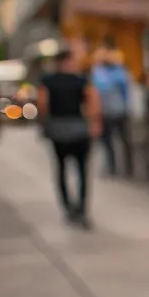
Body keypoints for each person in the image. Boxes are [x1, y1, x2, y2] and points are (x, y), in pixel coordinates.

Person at [37, 47, 101, 227]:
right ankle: (81, 208)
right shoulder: (81, 80)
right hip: (78, 128)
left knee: (61, 169)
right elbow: (93, 102)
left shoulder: (48, 80)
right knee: (82, 171)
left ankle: (67, 207)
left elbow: (42, 104)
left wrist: (44, 124)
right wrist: (94, 123)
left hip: (58, 129)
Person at [90, 45, 131, 176]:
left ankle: (125, 167)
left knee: (123, 140)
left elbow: (125, 91)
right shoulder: (100, 72)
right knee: (108, 141)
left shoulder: (116, 72)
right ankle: (112, 166)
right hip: (107, 112)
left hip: (117, 111)